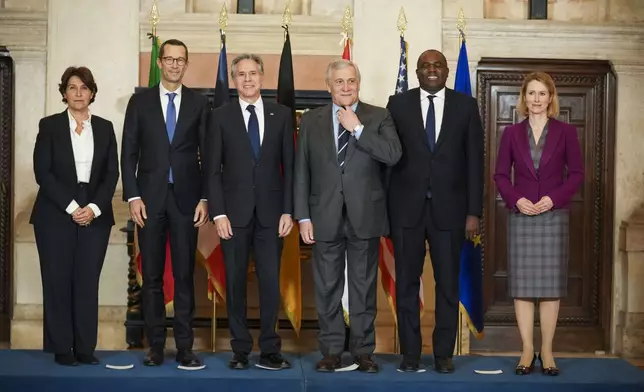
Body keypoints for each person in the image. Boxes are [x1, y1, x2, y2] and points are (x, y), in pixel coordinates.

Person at [294, 59, 402, 373]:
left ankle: (362, 352)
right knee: (327, 287)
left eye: (351, 81)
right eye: (339, 82)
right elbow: (302, 171)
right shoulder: (311, 120)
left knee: (362, 287)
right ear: (329, 86)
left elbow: (393, 155)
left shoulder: (378, 116)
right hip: (323, 216)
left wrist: (357, 128)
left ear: (358, 83)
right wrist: (303, 217)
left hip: (365, 216)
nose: (346, 87)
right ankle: (330, 351)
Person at [386, 49, 484, 373]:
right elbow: (387, 162)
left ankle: (444, 354)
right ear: (416, 72)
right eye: (425, 66)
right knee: (407, 286)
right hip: (406, 212)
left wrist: (473, 213)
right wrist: (387, 213)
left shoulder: (465, 106)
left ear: (445, 71)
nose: (431, 70)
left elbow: (474, 162)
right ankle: (410, 356)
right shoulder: (398, 105)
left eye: (437, 65)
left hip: (451, 213)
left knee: (447, 286)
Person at [121, 39, 209, 368]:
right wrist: (132, 195)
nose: (174, 65)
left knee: (185, 275)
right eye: (168, 59)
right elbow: (128, 152)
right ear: (159, 62)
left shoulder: (200, 104)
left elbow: (209, 154)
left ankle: (185, 347)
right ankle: (155, 346)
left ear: (186, 64)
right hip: (149, 200)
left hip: (187, 200)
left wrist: (205, 198)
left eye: (180, 60)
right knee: (153, 276)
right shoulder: (140, 102)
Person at [207, 53, 294, 370]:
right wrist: (218, 214)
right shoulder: (220, 116)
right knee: (235, 283)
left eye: (253, 73)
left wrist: (288, 211)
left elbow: (291, 167)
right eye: (241, 74)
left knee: (271, 282)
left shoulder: (282, 115)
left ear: (262, 76)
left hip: (273, 216)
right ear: (233, 80)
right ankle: (240, 349)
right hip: (232, 216)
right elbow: (212, 171)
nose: (247, 79)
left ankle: (270, 349)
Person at [493, 72, 583, 376]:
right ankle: (527, 350)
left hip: (553, 217)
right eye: (531, 93)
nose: (536, 99)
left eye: (542, 93)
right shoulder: (511, 133)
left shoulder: (566, 132)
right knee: (522, 287)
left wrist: (554, 199)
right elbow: (501, 176)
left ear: (551, 98)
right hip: (521, 215)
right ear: (524, 97)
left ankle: (547, 350)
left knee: (549, 287)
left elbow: (577, 175)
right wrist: (516, 199)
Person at [30, 66, 118, 366]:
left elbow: (111, 173)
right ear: (64, 93)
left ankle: (84, 347)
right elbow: (43, 171)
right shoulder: (50, 125)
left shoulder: (105, 127)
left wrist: (93, 208)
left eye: (83, 87)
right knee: (57, 280)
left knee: (86, 281)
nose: (78, 93)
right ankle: (61, 348)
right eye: (72, 87)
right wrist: (72, 208)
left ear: (92, 92)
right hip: (55, 212)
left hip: (95, 211)